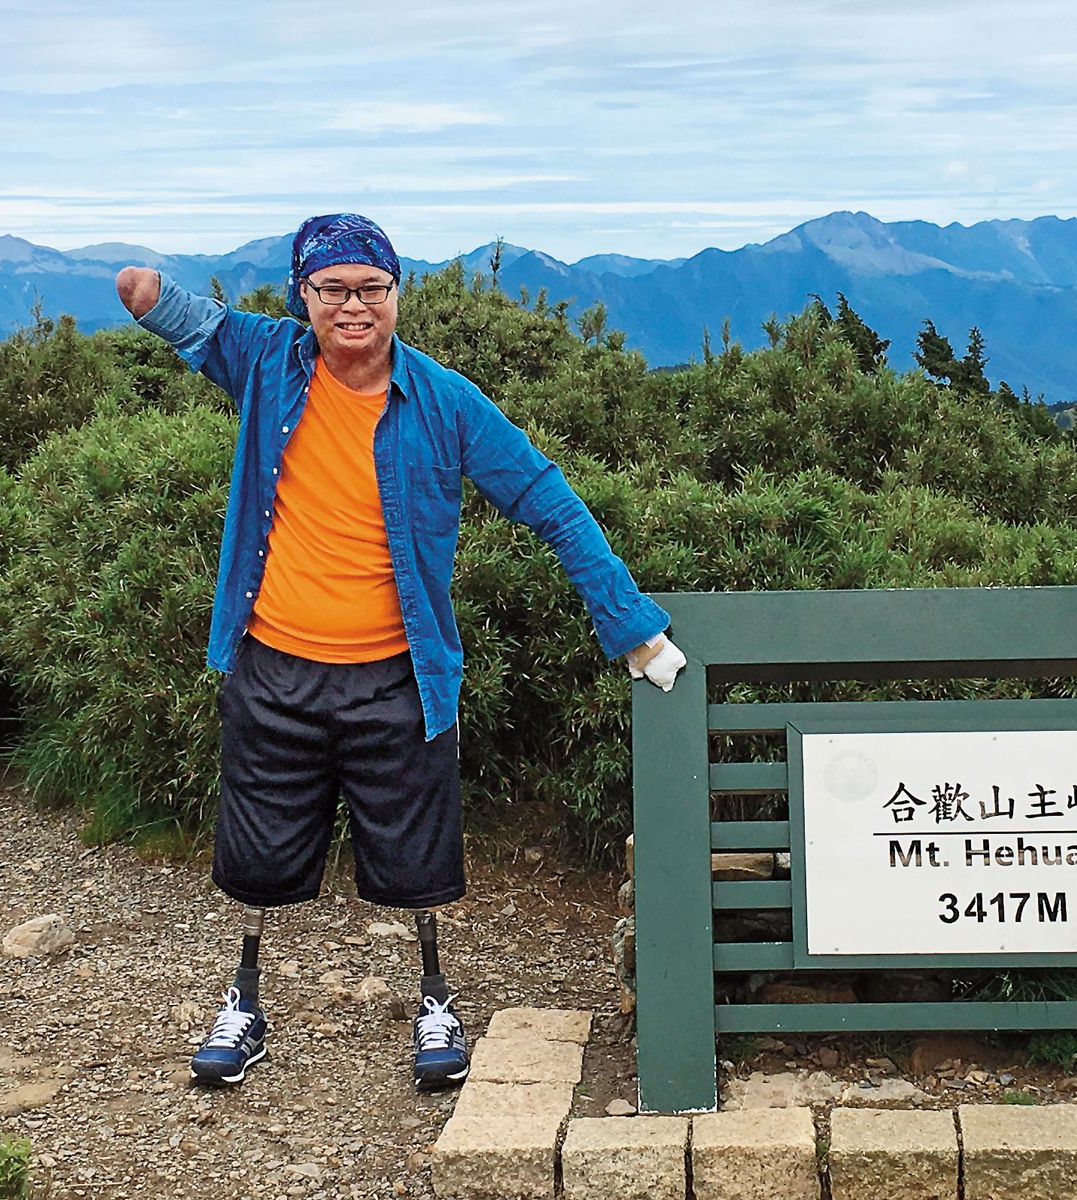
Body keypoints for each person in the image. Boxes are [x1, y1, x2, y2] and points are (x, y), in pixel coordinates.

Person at [114, 213, 685, 1091]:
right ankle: (244, 1002)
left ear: (396, 293)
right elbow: (169, 307)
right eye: (332, 289)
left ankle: (435, 1001)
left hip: (399, 674)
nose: (353, 306)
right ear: (303, 295)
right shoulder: (265, 361)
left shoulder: (446, 401)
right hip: (273, 664)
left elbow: (547, 498)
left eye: (371, 288)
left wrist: (629, 623)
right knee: (259, 853)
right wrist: (150, 297)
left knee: (416, 857)